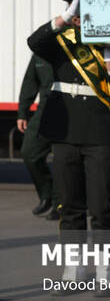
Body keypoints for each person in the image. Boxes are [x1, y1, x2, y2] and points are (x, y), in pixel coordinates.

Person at [27, 0, 110, 292]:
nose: (76, 11)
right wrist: (64, 19)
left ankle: (105, 270)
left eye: (82, 5)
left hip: (100, 132)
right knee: (69, 205)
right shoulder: (60, 41)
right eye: (71, 4)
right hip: (65, 131)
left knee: (101, 207)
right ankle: (73, 269)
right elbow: (35, 41)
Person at [17, 53, 59, 219]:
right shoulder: (40, 51)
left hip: (70, 111)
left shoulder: (70, 47)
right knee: (29, 152)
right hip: (44, 110)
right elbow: (30, 81)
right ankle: (46, 195)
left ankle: (60, 204)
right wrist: (22, 112)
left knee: (63, 161)